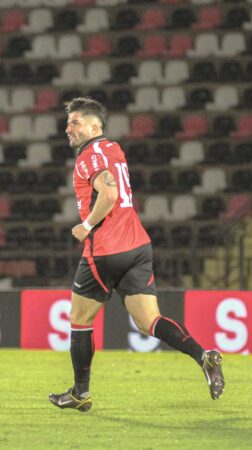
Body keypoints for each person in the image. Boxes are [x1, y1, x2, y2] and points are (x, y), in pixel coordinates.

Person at [48, 97, 224, 412]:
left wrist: (87, 225)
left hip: (106, 249)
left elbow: (109, 193)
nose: (68, 128)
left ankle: (80, 393)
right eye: (68, 123)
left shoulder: (88, 156)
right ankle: (203, 356)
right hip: (137, 246)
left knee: (80, 320)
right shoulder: (114, 149)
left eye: (75, 123)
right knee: (148, 321)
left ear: (94, 127)